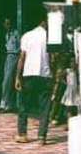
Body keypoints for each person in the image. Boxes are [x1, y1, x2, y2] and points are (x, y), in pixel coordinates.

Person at [14, 10, 52, 145]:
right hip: (45, 74)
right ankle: (42, 136)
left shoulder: (27, 36)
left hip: (29, 74)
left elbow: (21, 58)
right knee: (45, 107)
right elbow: (53, 58)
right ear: (44, 22)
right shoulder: (50, 37)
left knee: (24, 105)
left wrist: (17, 77)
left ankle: (22, 134)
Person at [0, 18, 20, 113]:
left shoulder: (16, 34)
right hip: (8, 55)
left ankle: (6, 104)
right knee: (6, 81)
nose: (7, 25)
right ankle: (6, 103)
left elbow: (20, 46)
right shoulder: (6, 35)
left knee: (8, 80)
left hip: (14, 55)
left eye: (8, 23)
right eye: (5, 24)